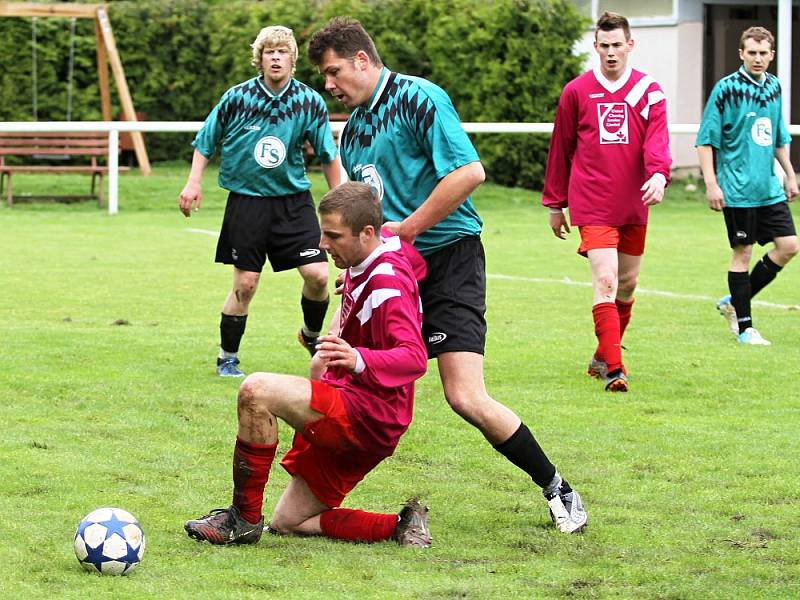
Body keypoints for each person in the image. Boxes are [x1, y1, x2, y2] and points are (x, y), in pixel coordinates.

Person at [308, 17, 587, 533]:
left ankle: (557, 489)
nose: (328, 84)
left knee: (464, 396)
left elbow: (469, 173)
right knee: (339, 375)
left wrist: (408, 229)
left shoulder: (421, 99)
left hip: (449, 259)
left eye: (333, 71)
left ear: (363, 61)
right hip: (392, 271)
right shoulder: (355, 129)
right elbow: (363, 214)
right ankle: (303, 503)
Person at [185, 181, 432, 547]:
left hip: (365, 414)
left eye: (333, 236)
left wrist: (357, 357)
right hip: (374, 418)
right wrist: (353, 274)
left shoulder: (387, 285)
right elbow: (414, 261)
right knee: (291, 521)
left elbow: (414, 357)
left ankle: (243, 520)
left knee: (257, 391)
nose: (322, 244)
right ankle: (400, 526)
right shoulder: (383, 251)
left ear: (367, 233)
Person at [178, 25, 342, 378]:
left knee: (317, 276)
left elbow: (329, 155)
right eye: (269, 52)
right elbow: (205, 142)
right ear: (260, 58)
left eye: (283, 52)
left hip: (293, 203)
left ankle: (312, 336)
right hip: (248, 202)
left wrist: (339, 198)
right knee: (246, 284)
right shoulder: (237, 98)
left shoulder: (309, 102)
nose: (276, 58)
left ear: (293, 58)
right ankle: (227, 358)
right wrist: (193, 183)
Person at [542, 11, 672, 392]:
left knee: (628, 285)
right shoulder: (576, 92)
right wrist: (555, 203)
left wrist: (659, 174)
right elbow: (561, 148)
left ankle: (602, 354)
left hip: (634, 202)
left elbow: (657, 140)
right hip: (593, 201)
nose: (611, 53)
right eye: (604, 46)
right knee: (607, 279)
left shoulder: (649, 90)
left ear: (630, 45)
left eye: (618, 45)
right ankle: (615, 369)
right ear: (595, 47)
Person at [697, 26, 799, 346]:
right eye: (751, 52)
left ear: (771, 54)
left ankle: (732, 302)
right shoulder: (725, 90)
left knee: (789, 246)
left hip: (768, 187)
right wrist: (712, 184)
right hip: (738, 190)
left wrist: (790, 174)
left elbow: (777, 136)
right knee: (743, 253)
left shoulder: (775, 88)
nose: (757, 58)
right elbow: (705, 142)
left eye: (763, 53)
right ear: (741, 53)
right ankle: (744, 328)